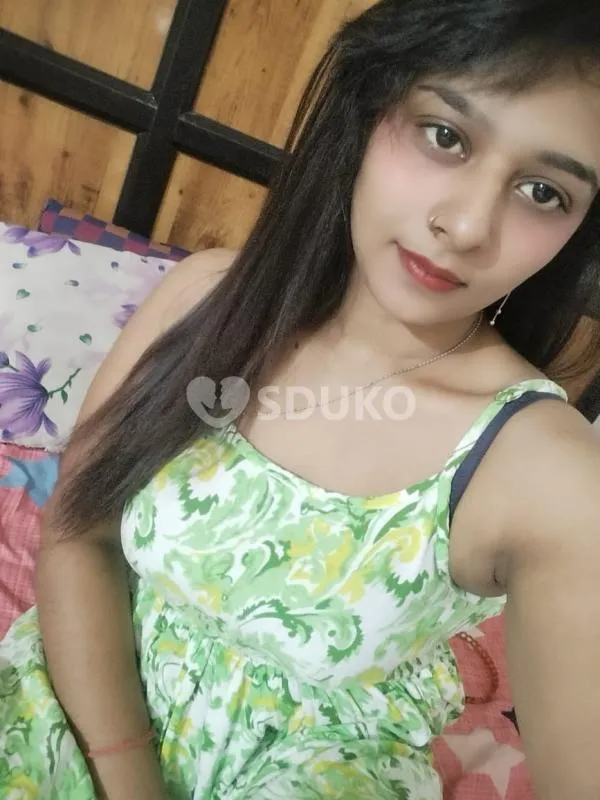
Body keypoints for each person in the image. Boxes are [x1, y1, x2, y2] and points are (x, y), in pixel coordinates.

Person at [2, 0, 600, 797]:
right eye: (445, 135)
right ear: (371, 109)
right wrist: (127, 776)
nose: (465, 226)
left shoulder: (545, 468)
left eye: (543, 192)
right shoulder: (203, 299)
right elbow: (80, 535)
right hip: (63, 720)